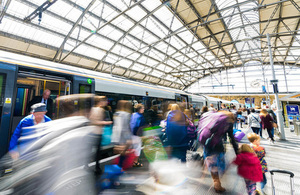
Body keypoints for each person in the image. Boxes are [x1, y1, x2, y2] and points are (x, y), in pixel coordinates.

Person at [198, 111, 239, 193]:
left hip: (205, 143)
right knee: (221, 163)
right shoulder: (228, 121)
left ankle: (216, 180)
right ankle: (218, 182)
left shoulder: (210, 117)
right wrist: (237, 152)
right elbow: (231, 138)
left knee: (211, 163)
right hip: (217, 145)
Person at [89, 96, 113, 174]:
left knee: (91, 150)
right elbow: (96, 121)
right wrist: (106, 123)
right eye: (105, 101)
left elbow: (91, 120)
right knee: (98, 152)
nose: (106, 103)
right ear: (101, 101)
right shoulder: (101, 110)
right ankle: (97, 168)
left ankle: (87, 165)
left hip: (92, 133)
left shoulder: (92, 109)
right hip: (98, 133)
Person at [111, 100, 133, 169]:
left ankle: (118, 169)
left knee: (121, 154)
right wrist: (128, 138)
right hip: (123, 137)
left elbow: (117, 126)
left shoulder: (116, 113)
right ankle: (119, 169)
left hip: (116, 136)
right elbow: (125, 127)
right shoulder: (126, 114)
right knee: (124, 154)